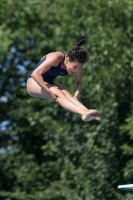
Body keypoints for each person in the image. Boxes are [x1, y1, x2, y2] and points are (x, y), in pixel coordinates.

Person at [26, 37, 101, 122]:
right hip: (33, 81)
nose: (76, 70)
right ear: (67, 59)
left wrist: (76, 95)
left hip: (49, 82)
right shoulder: (57, 57)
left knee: (67, 94)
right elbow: (35, 74)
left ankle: (87, 112)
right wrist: (49, 91)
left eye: (79, 68)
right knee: (59, 94)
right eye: (75, 67)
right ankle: (82, 112)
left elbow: (79, 82)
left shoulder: (77, 65)